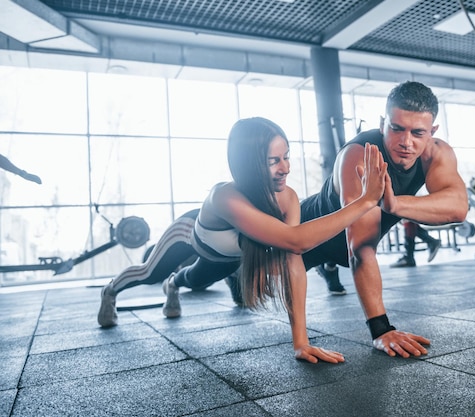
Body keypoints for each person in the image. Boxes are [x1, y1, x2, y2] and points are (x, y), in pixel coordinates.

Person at [98, 117, 388, 364]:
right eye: (274, 161)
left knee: (194, 279)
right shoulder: (224, 196)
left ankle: (173, 285)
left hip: (227, 259)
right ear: (248, 164)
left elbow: (293, 260)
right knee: (150, 273)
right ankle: (110, 291)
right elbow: (296, 240)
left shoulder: (287, 199)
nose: (285, 168)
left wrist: (301, 342)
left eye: (286, 156)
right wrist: (363, 203)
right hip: (188, 237)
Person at [300, 81, 468, 358]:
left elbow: (458, 207)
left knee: (340, 253)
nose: (406, 141)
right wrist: (381, 329)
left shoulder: (436, 153)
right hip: (306, 234)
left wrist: (394, 203)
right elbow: (361, 249)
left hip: (345, 242)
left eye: (418, 132)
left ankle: (329, 267)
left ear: (432, 132)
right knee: (254, 283)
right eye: (397, 128)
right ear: (382, 124)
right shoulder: (360, 156)